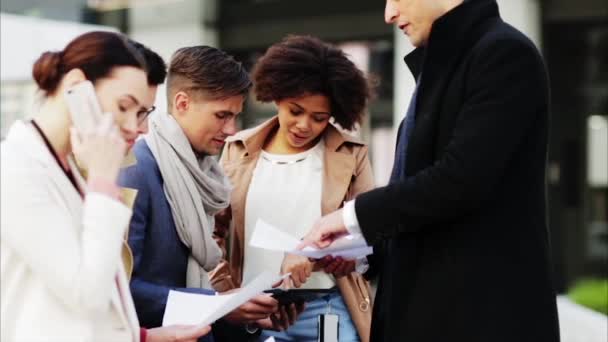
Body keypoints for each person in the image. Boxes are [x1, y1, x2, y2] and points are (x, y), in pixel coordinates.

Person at [301, 1, 560, 341]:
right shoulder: (443, 69)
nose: (389, 14)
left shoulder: (503, 53)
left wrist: (350, 218)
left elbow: (460, 181)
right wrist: (361, 254)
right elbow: (423, 206)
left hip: (480, 319)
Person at [1, 31, 211, 342]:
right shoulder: (16, 169)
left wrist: (143, 337)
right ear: (76, 87)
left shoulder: (65, 166)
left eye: (142, 112)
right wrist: (103, 180)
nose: (134, 127)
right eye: (124, 106)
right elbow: (86, 293)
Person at [119, 45, 295, 341]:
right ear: (182, 103)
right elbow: (121, 289)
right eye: (222, 115)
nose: (230, 129)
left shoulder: (202, 174)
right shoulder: (135, 171)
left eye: (236, 116)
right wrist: (219, 304)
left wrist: (252, 318)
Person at [210, 35, 375, 342]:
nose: (304, 125)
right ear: (277, 96)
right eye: (295, 111)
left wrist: (348, 257)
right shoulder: (237, 150)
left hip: (326, 309)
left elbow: (367, 229)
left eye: (319, 118)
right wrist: (229, 294)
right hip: (258, 311)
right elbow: (212, 232)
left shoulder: (352, 154)